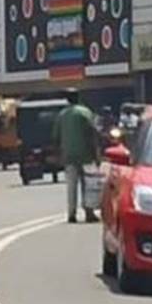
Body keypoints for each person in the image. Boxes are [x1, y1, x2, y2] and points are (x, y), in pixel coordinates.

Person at [54, 88, 100, 224]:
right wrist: (97, 155)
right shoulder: (85, 112)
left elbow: (56, 136)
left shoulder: (62, 115)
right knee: (88, 186)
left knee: (71, 187)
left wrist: (59, 153)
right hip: (86, 155)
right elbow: (93, 134)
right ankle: (89, 213)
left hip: (69, 156)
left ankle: (71, 214)